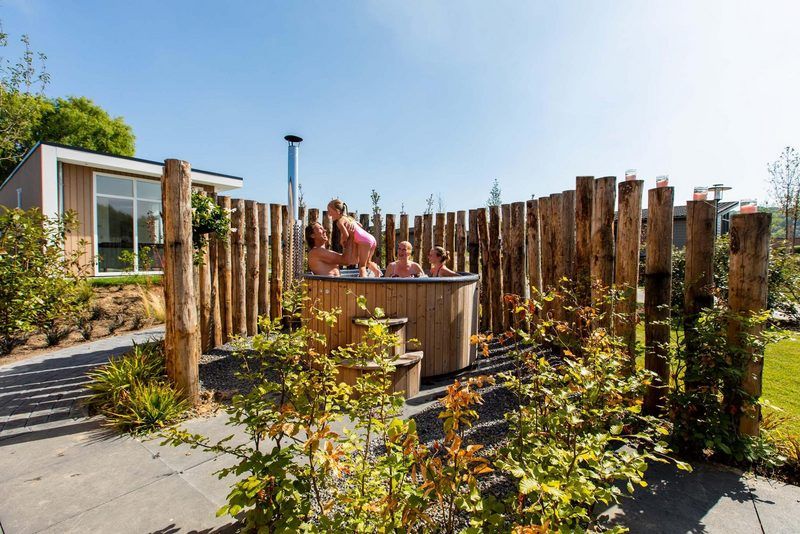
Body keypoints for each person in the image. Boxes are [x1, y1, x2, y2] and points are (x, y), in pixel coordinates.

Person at [327, 198, 382, 278]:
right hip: (371, 238)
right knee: (368, 262)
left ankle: (364, 284)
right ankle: (377, 274)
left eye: (330, 211)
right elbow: (360, 225)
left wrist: (342, 241)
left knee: (362, 266)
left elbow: (346, 235)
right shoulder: (350, 218)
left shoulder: (339, 222)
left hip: (364, 241)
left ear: (337, 211)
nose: (329, 214)